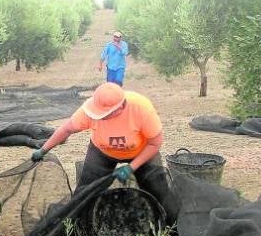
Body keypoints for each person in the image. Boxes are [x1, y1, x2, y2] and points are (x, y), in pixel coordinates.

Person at [31, 82, 179, 224]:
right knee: (86, 191)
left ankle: (172, 227)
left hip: (141, 152)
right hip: (102, 152)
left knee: (158, 189)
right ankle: (77, 227)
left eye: (104, 114)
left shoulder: (141, 109)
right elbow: (66, 129)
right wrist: (44, 149)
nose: (99, 116)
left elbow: (155, 143)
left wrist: (131, 167)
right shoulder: (89, 110)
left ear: (120, 108)